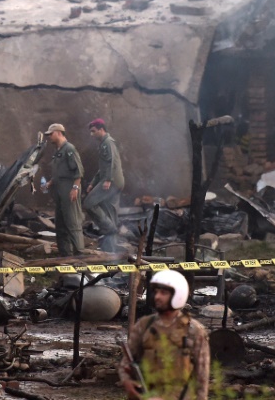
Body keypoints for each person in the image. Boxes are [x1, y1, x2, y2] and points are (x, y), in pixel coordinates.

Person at [119, 270, 210, 400]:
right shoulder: (144, 326)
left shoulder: (194, 330)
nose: (157, 297)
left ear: (177, 295)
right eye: (156, 292)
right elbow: (125, 363)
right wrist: (127, 382)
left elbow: (202, 374)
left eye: (163, 293)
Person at [42, 123, 85, 257]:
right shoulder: (58, 151)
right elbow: (59, 172)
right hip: (59, 190)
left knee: (72, 222)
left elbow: (78, 171)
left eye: (51, 134)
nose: (49, 137)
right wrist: (50, 182)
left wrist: (75, 188)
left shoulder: (69, 149)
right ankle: (66, 255)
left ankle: (79, 255)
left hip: (69, 189)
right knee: (60, 225)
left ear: (59, 133)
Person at [83, 118, 124, 252]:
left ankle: (110, 229)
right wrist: (93, 183)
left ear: (101, 129)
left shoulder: (107, 143)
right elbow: (102, 168)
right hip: (113, 181)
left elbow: (111, 162)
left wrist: (108, 179)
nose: (92, 134)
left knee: (88, 203)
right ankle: (111, 250)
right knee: (109, 213)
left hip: (112, 182)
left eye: (93, 131)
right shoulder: (103, 143)